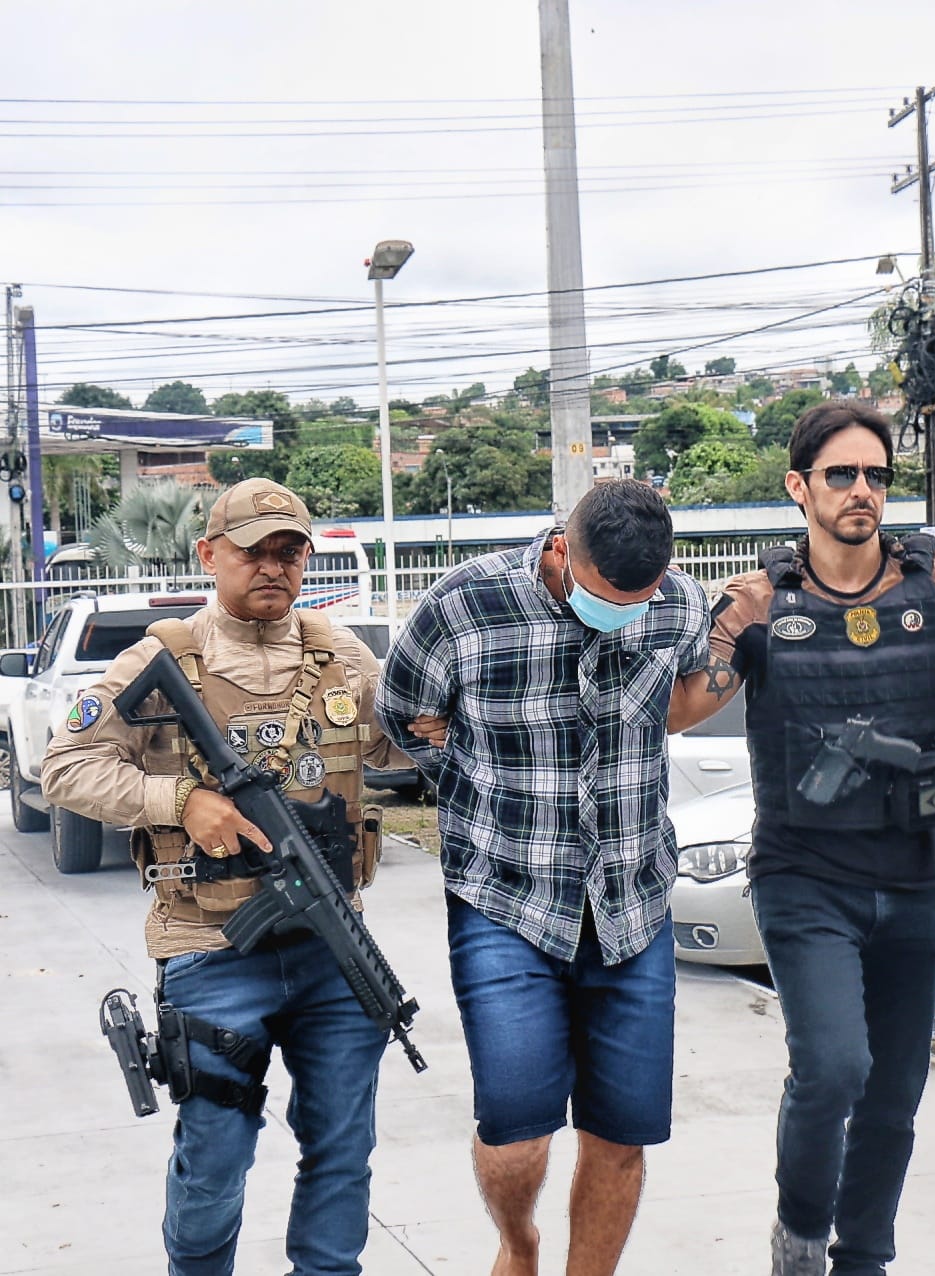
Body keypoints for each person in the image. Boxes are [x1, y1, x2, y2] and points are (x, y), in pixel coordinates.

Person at [667, 402, 935, 1276]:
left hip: (917, 876)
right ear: (798, 487)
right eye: (842, 474)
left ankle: (865, 1258)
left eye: (877, 476)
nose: (862, 491)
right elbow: (689, 700)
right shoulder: (760, 599)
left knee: (894, 1092)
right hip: (804, 877)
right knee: (836, 1068)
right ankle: (802, 1233)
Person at [41, 478, 411, 1276]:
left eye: (290, 552)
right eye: (254, 552)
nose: (273, 568)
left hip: (331, 946)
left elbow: (393, 750)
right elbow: (66, 766)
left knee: (343, 1150)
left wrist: (438, 722)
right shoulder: (160, 659)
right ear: (211, 555)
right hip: (210, 949)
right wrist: (178, 799)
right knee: (213, 1164)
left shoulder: (340, 652)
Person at [375, 479, 709, 1276]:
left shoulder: (680, 605)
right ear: (563, 547)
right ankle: (517, 1241)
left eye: (639, 598)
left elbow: (693, 685)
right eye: (606, 596)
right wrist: (455, 762)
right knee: (516, 1133)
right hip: (506, 899)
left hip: (632, 902)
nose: (625, 611)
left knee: (622, 1134)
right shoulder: (465, 604)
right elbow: (402, 713)